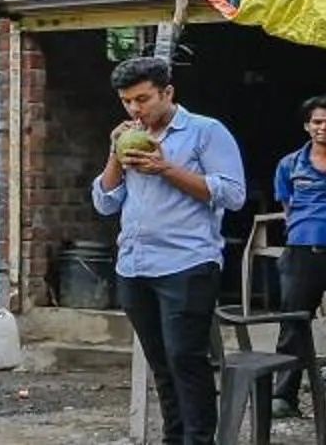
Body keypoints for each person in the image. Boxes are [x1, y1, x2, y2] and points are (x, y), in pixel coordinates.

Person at [94, 51, 247, 445]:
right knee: (160, 364)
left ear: (167, 92)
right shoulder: (127, 136)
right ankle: (173, 437)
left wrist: (167, 170)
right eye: (126, 101)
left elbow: (232, 194)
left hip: (188, 263)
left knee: (186, 360)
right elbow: (105, 202)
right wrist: (115, 153)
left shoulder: (205, 132)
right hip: (134, 264)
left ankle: (199, 440)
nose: (134, 108)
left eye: (143, 99)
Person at [273, 97, 326, 412]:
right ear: (307, 125)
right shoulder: (290, 164)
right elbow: (288, 208)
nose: (323, 127)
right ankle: (284, 396)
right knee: (293, 325)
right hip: (301, 254)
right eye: (317, 121)